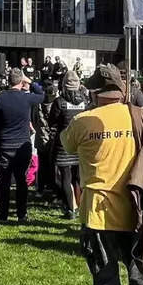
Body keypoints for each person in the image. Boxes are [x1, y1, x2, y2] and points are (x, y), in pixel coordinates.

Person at [61, 64, 143, 285]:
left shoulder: (83, 121)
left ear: (94, 93)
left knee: (104, 266)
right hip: (137, 204)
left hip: (98, 208)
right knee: (139, 258)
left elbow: (66, 144)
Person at [0, 68, 45, 223]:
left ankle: (3, 215)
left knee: (5, 181)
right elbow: (41, 94)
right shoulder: (26, 98)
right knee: (21, 180)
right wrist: (29, 80)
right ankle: (21, 214)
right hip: (22, 143)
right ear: (21, 82)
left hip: (5, 144)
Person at [48, 71, 88, 219]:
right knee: (79, 177)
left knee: (65, 176)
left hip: (64, 142)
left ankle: (71, 209)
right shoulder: (85, 100)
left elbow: (52, 121)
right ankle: (81, 205)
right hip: (81, 143)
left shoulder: (60, 102)